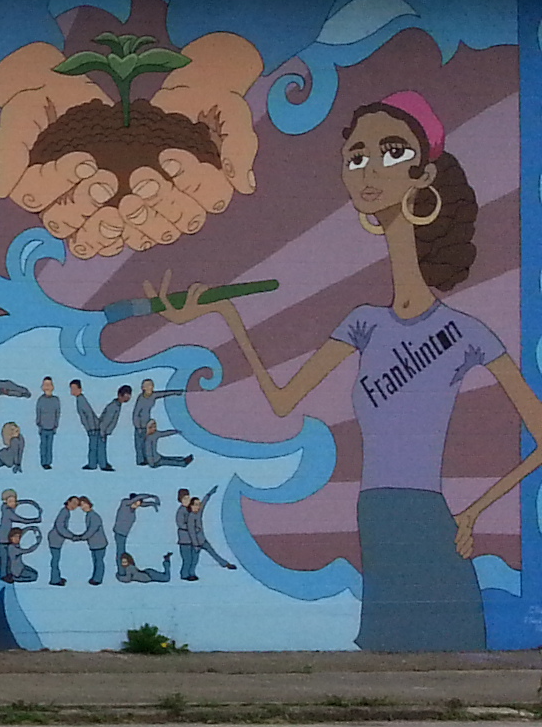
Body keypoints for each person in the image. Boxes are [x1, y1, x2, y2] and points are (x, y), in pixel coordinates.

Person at [194, 91, 542, 651]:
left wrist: (473, 512)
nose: (369, 169)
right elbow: (283, 401)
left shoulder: (467, 332)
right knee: (387, 655)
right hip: (376, 515)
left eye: (392, 151)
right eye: (356, 157)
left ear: (423, 175)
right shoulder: (363, 324)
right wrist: (229, 317)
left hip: (430, 517)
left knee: (453, 653)